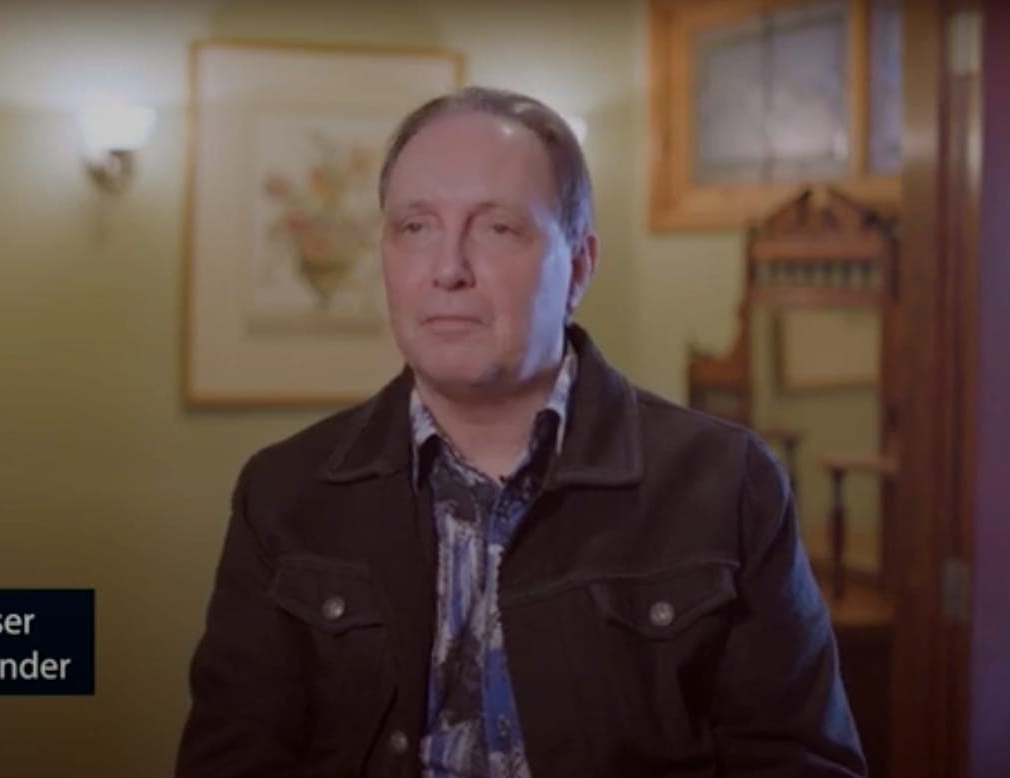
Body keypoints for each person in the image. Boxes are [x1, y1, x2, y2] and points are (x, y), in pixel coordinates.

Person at [175, 86, 865, 777]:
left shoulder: (726, 486)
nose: (447, 270)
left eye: (497, 228)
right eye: (415, 227)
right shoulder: (284, 495)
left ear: (579, 266)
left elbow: (799, 765)